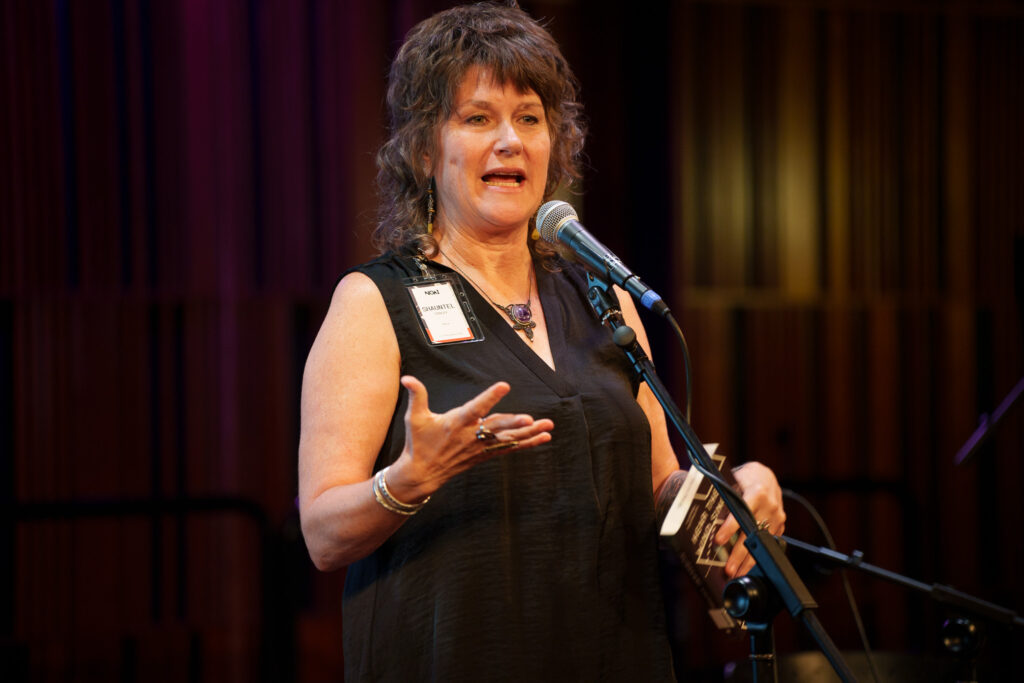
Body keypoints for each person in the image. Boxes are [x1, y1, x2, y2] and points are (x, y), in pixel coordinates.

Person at [298, 2, 785, 680]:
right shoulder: (375, 302)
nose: (510, 141)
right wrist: (410, 479)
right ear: (423, 147)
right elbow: (322, 532)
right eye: (477, 118)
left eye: (529, 118)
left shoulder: (603, 296)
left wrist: (735, 490)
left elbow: (658, 488)